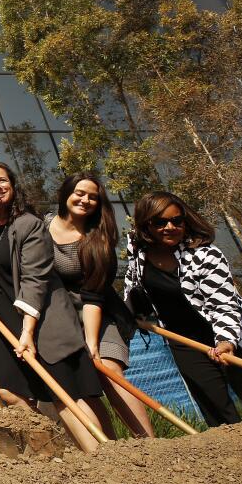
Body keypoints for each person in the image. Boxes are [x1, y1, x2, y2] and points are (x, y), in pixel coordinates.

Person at [0, 162, 106, 452]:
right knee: (8, 391)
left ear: (13, 186)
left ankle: (103, 458)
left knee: (63, 394)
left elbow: (35, 279)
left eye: (3, 180)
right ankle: (52, 451)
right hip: (3, 324)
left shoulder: (28, 224)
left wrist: (28, 331)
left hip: (39, 322)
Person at [124, 191, 242, 426]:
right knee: (217, 415)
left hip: (236, 336)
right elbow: (132, 281)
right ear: (146, 224)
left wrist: (226, 342)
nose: (170, 227)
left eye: (177, 220)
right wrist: (131, 311)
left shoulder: (205, 255)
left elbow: (225, 304)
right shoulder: (139, 252)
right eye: (160, 222)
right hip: (184, 341)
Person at [46, 174, 153, 438]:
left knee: (106, 370)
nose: (85, 200)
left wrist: (91, 343)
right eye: (80, 193)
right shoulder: (42, 224)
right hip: (61, 319)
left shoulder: (98, 240)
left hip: (99, 315)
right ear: (65, 193)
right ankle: (110, 449)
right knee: (83, 382)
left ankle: (149, 444)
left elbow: (93, 298)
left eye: (93, 197)